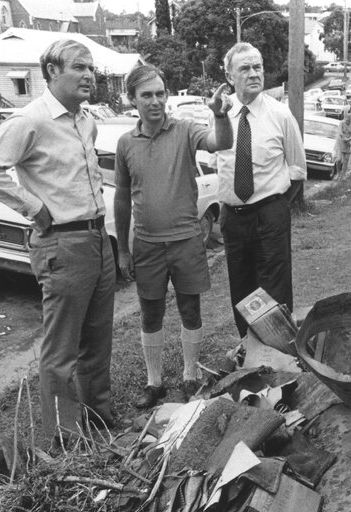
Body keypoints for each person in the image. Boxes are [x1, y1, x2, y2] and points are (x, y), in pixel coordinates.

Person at [0, 40, 115, 439]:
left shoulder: (85, 120)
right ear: (51, 71)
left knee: (98, 340)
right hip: (62, 245)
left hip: (98, 239)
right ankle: (63, 436)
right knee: (62, 350)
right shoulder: (30, 121)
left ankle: (99, 418)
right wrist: (33, 207)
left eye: (91, 68)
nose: (88, 75)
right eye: (78, 67)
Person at [113, 66, 232, 408]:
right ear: (132, 99)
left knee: (189, 309)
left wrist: (219, 115)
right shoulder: (125, 143)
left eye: (160, 94)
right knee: (150, 313)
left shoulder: (184, 131)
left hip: (185, 240)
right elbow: (121, 196)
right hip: (147, 244)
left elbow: (220, 142)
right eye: (146, 95)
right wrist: (123, 249)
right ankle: (154, 383)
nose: (155, 101)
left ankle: (189, 376)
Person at [214, 42, 307, 337]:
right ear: (230, 77)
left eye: (258, 67)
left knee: (274, 292)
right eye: (245, 68)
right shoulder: (219, 114)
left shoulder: (280, 115)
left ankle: (281, 358)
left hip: (270, 214)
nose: (254, 74)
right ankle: (250, 355)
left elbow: (297, 170)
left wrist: (275, 207)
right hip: (233, 219)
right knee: (242, 293)